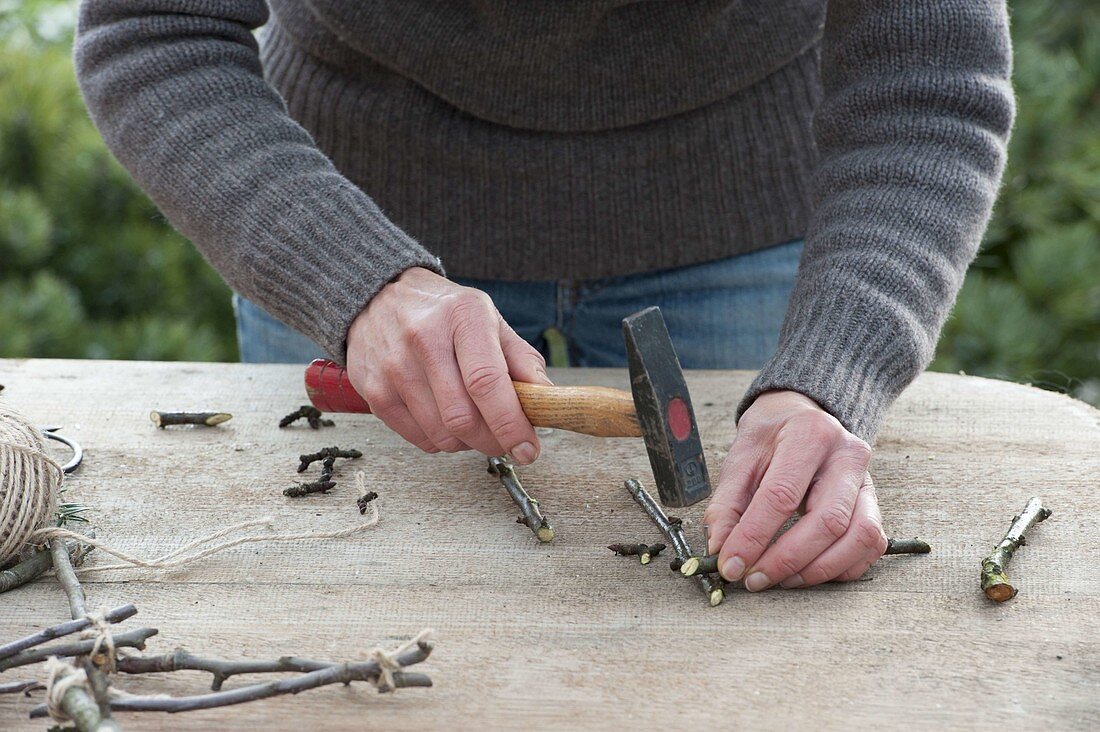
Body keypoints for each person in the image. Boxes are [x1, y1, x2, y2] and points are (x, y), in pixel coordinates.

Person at [74, 1, 1014, 591]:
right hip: (342, 208)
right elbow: (151, 24)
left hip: (741, 196)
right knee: (329, 590)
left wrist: (832, 372)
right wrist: (349, 279)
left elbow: (927, 75)